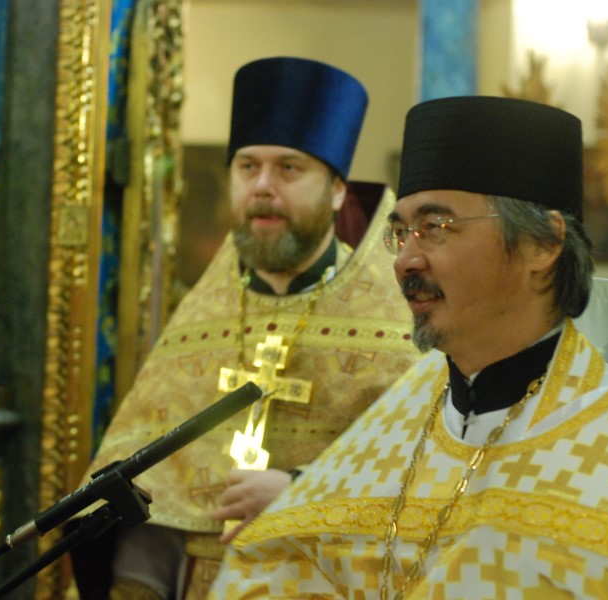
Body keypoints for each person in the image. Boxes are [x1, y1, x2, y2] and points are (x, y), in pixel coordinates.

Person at [209, 95, 608, 599]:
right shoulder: (400, 412)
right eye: (400, 232)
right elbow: (280, 568)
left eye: (435, 228)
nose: (404, 260)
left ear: (544, 244)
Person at [69, 56, 420, 600]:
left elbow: (424, 482)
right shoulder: (200, 318)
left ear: (336, 190)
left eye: (288, 169)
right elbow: (148, 502)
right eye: (247, 167)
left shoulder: (397, 324)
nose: (262, 186)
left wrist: (304, 494)